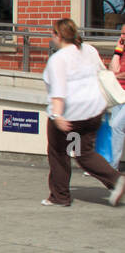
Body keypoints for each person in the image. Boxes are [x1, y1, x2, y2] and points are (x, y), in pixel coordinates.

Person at [39, 18, 124, 207]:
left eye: (53, 33)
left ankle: (60, 196)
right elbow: (102, 73)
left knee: (59, 153)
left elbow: (58, 91)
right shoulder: (89, 50)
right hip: (93, 111)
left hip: (71, 115)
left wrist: (58, 116)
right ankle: (115, 179)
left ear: (59, 36)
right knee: (83, 152)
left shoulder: (58, 59)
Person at [106, 21, 125, 170]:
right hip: (119, 94)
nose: (122, 36)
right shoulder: (122, 49)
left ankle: (111, 167)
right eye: (121, 33)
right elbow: (113, 69)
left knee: (117, 126)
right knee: (113, 125)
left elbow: (117, 74)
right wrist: (118, 50)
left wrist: (116, 76)